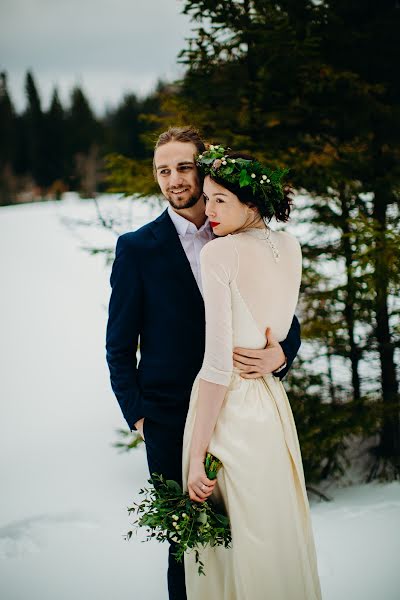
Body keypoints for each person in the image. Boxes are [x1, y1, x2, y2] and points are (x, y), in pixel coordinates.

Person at [105, 127, 302, 600]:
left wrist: (282, 352)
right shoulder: (137, 248)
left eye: (183, 167)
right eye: (163, 170)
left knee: (247, 541)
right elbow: (117, 345)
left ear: (205, 168)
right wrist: (140, 416)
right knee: (188, 552)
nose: (173, 179)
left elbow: (279, 312)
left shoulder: (242, 234)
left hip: (240, 415)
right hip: (171, 421)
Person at [182, 146, 322, 599]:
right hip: (272, 406)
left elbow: (217, 367)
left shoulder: (220, 254)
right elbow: (275, 329)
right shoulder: (290, 245)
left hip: (231, 416)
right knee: (274, 537)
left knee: (236, 547)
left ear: (253, 204)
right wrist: (279, 354)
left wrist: (197, 455)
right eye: (207, 197)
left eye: (221, 199)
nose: (209, 209)